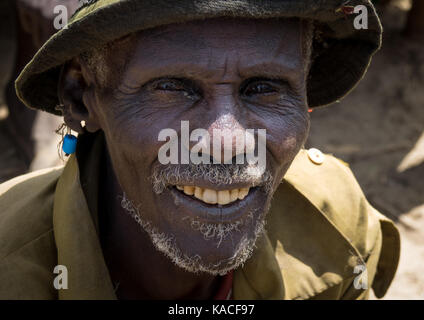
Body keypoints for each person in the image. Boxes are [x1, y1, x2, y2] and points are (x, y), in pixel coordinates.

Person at [0, 0, 400, 300]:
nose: (225, 146)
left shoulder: (334, 217)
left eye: (264, 88)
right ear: (81, 95)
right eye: (173, 87)